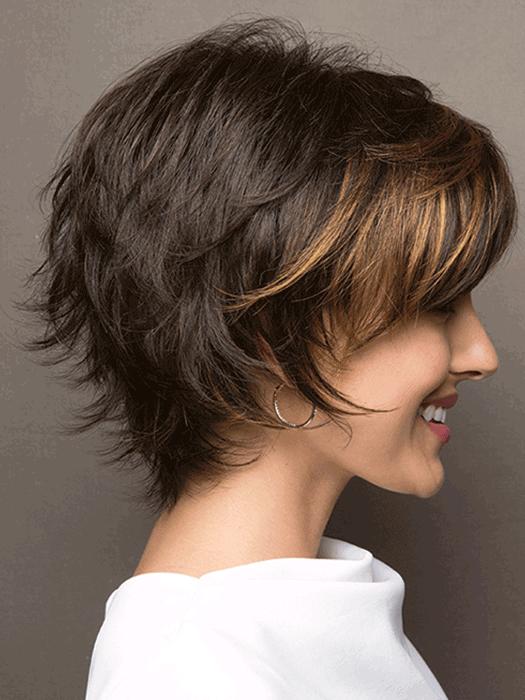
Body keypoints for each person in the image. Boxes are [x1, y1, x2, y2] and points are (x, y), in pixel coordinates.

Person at [25, 17, 517, 700]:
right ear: (270, 331)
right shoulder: (196, 676)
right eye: (435, 304)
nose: (481, 355)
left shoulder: (294, 620)